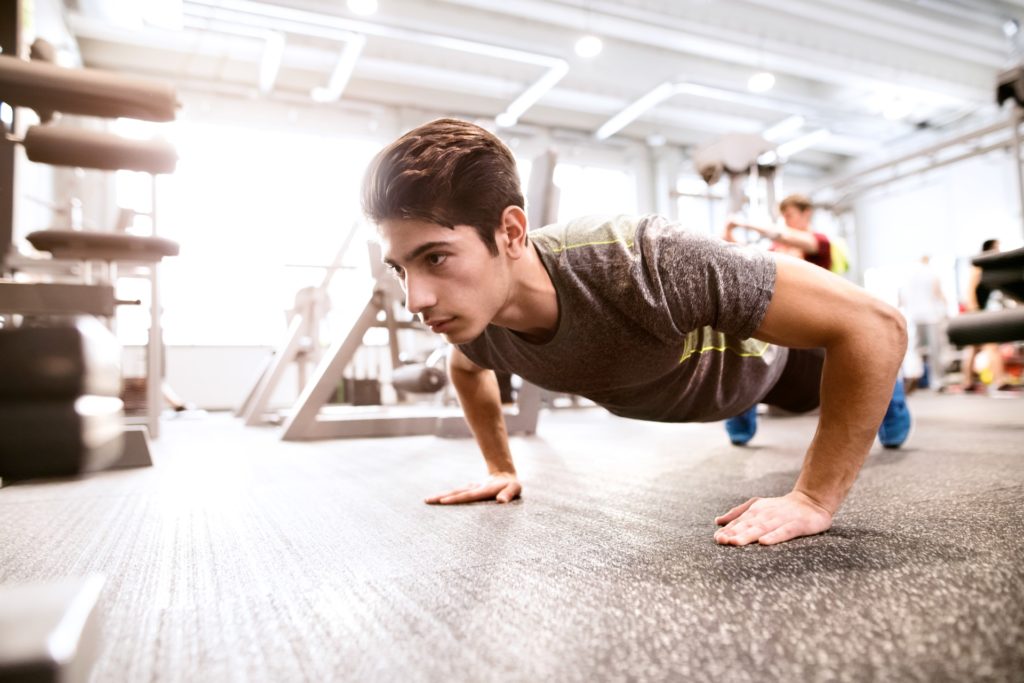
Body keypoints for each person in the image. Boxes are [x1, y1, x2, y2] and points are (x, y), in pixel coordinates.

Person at [362, 118, 911, 547]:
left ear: (510, 232)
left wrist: (813, 498)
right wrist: (499, 467)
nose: (416, 300)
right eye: (400, 269)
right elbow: (466, 369)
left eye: (436, 257)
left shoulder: (643, 261)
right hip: (700, 381)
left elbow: (876, 324)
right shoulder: (472, 325)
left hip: (777, 361)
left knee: (840, 373)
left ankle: (888, 391)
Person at [723, 194, 832, 270]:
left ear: (806, 213)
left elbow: (783, 235)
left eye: (789, 216)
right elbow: (754, 257)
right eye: (784, 217)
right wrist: (730, 238)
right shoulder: (779, 246)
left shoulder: (821, 241)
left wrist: (743, 223)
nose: (786, 221)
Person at [960, 239, 1012, 392]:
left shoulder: (990, 269)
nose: (999, 251)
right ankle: (1000, 381)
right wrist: (975, 312)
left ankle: (967, 382)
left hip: (979, 312)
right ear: (988, 249)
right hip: (976, 312)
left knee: (973, 349)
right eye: (997, 248)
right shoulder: (978, 267)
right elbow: (969, 291)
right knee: (991, 346)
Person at [899, 255, 948, 391]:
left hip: (914, 316)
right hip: (932, 316)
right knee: (935, 350)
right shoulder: (932, 273)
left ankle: (913, 376)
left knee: (914, 350)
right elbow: (937, 292)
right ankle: (937, 382)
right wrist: (946, 307)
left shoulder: (909, 275)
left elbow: (902, 298)